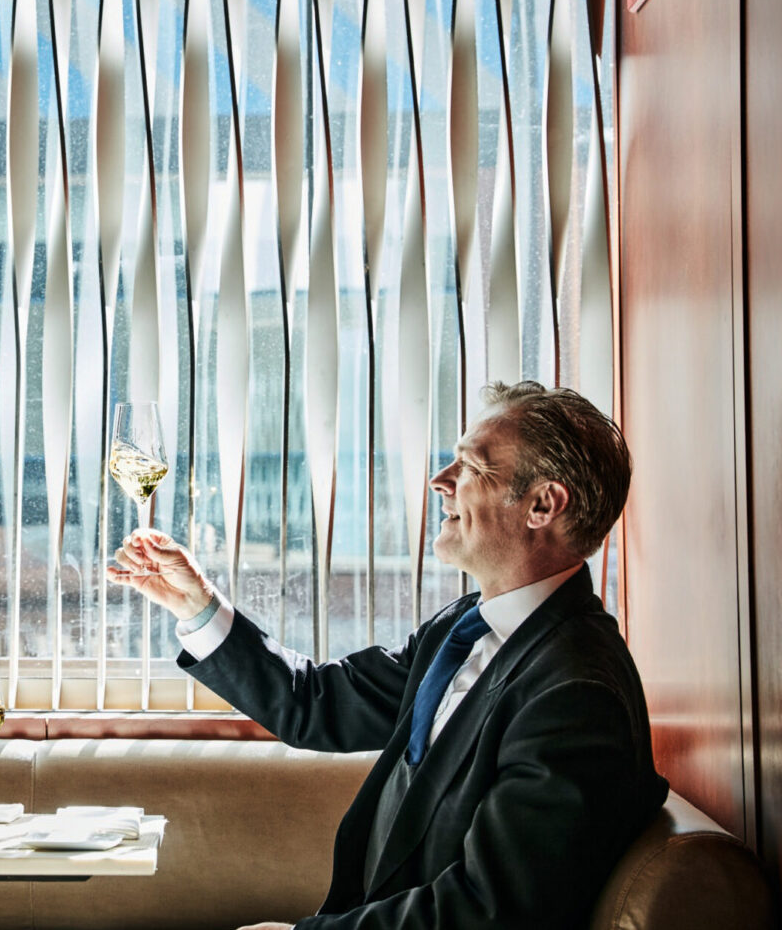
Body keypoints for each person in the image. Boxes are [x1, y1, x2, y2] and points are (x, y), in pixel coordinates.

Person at [112, 381, 667, 929]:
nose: (439, 480)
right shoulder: (464, 627)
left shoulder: (576, 693)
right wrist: (198, 605)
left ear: (542, 504)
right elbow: (316, 704)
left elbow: (493, 909)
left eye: (471, 467)